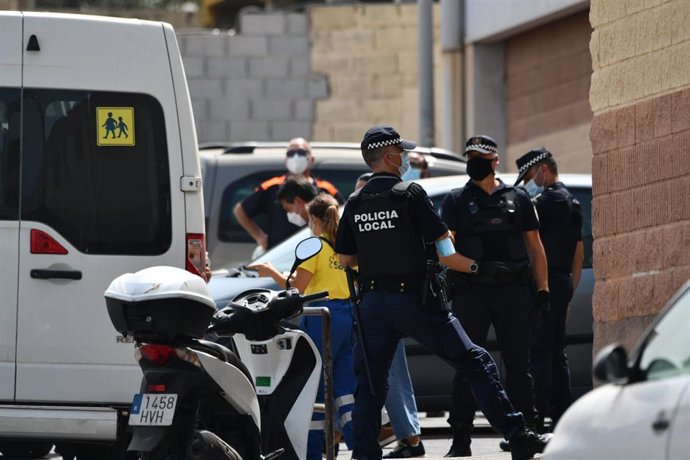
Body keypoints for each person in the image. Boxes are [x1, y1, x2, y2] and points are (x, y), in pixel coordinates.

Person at [335, 125, 548, 460]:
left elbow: (346, 257)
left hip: (374, 303)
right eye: (401, 153)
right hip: (415, 301)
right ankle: (517, 434)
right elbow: (445, 248)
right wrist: (478, 267)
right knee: (475, 361)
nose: (404, 158)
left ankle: (364, 454)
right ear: (390, 157)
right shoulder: (410, 194)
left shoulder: (355, 202)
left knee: (371, 385)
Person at [440, 135, 548, 457]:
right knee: (467, 365)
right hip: (472, 292)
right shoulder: (456, 200)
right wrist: (477, 269)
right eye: (469, 156)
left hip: (513, 291)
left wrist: (543, 292)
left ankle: (525, 433)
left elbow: (535, 247)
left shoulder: (517, 197)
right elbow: (445, 250)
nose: (474, 161)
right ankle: (461, 439)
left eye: (480, 156)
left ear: (494, 160)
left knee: (518, 365)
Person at [249, 192, 356, 460]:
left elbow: (297, 289)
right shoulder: (341, 245)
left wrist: (271, 272)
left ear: (314, 220)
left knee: (315, 385)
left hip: (323, 318)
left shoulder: (315, 246)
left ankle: (312, 451)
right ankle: (361, 444)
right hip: (347, 315)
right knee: (345, 388)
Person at [354, 172, 425, 458]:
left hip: (381, 304)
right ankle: (405, 437)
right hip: (375, 303)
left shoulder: (378, 218)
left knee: (388, 375)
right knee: (380, 376)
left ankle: (408, 438)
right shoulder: (358, 218)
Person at [514, 148, 583, 431]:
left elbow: (529, 245)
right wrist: (568, 291)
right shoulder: (573, 202)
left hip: (543, 284)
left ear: (542, 170)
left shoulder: (541, 203)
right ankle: (560, 417)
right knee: (556, 353)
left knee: (539, 353)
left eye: (529, 176)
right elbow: (579, 252)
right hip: (562, 281)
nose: (527, 183)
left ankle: (535, 420)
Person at [233, 138, 343, 253]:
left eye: (301, 152)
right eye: (291, 153)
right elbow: (240, 210)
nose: (296, 157)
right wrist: (260, 237)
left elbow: (341, 217)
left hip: (316, 253)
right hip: (279, 255)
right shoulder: (273, 186)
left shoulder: (326, 189)